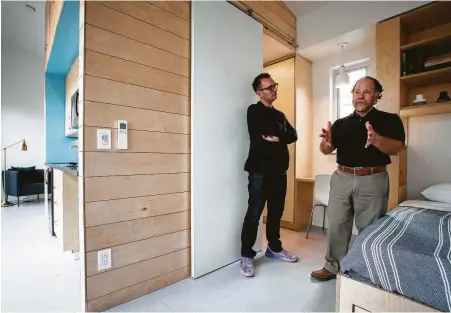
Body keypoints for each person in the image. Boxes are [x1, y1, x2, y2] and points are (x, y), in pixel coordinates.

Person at [311, 76, 406, 281]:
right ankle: (332, 266)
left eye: (366, 92)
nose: (360, 96)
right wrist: (326, 142)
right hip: (342, 177)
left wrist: (378, 140)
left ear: (377, 96)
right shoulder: (340, 123)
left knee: (369, 227)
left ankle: (362, 269)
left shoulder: (390, 120)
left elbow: (398, 148)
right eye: (356, 92)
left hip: (373, 178)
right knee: (337, 224)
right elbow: (326, 150)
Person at [240, 73, 299, 278]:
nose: (274, 89)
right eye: (269, 87)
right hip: (259, 171)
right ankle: (247, 254)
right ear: (259, 92)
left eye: (275, 85)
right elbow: (262, 132)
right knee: (255, 212)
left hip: (279, 171)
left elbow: (294, 135)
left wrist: (278, 136)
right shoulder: (253, 111)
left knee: (276, 211)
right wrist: (278, 135)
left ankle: (274, 248)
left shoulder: (280, 115)